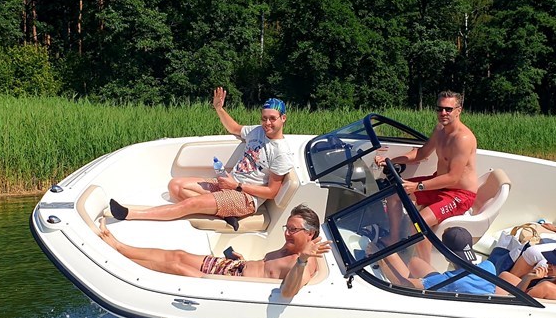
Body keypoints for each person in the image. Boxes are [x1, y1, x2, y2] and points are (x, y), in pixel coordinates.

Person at [108, 87, 294, 228]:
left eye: (272, 118)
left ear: (283, 118)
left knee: (191, 203)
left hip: (245, 197)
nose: (267, 123)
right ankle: (224, 214)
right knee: (175, 185)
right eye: (264, 118)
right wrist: (219, 108)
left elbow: (271, 192)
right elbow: (235, 128)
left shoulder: (281, 152)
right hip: (229, 182)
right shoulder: (257, 131)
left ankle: (130, 214)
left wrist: (237, 186)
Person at [94, 205, 331, 299]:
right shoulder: (291, 245)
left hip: (227, 285)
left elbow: (288, 292)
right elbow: (266, 268)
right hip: (234, 267)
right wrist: (245, 261)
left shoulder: (305, 262)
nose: (287, 233)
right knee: (179, 255)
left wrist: (302, 260)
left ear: (309, 234)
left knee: (176, 267)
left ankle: (119, 259)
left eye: (293, 230)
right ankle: (121, 248)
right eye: (286, 228)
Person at [375, 91, 479, 227]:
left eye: (448, 109)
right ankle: (393, 237)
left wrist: (417, 187)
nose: (443, 113)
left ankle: (422, 241)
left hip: (459, 194)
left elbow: (453, 178)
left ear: (458, 111)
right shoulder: (440, 130)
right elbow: (421, 153)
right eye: (439, 109)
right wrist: (391, 160)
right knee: (394, 194)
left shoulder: (463, 139)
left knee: (419, 224)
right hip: (439, 185)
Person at [370, 226, 497, 294]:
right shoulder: (489, 266)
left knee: (391, 256)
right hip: (468, 301)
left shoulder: (447, 281)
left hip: (445, 301)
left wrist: (379, 255)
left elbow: (401, 284)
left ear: (446, 254)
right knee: (415, 262)